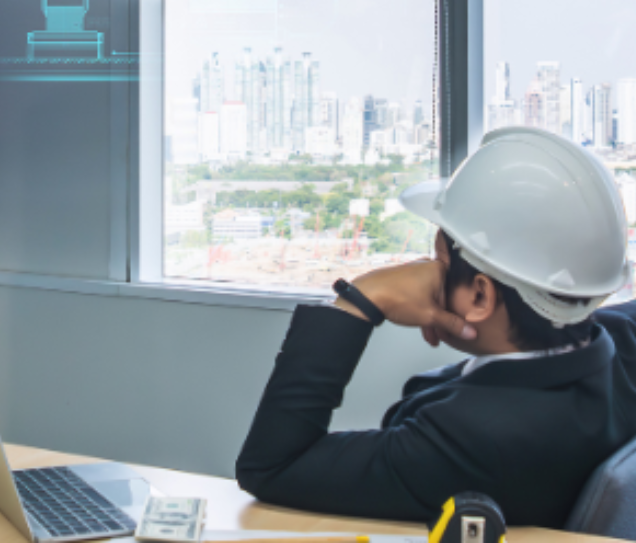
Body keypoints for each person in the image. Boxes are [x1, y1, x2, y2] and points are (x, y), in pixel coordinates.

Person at [236, 127, 636, 528]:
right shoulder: (621, 344)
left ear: (480, 296)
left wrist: (361, 299)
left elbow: (273, 465)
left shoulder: (470, 438)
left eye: (437, 259)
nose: (421, 271)